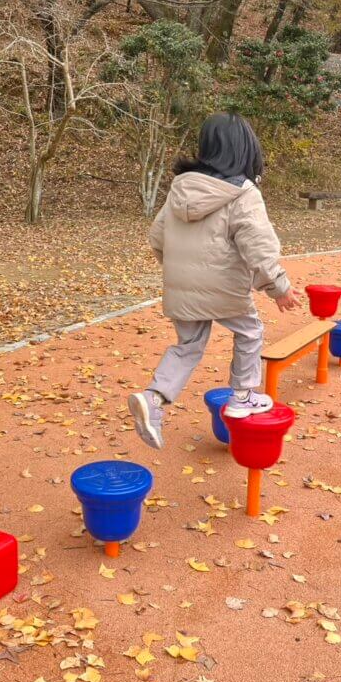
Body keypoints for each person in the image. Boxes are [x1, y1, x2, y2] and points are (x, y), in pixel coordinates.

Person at [128, 112, 302, 450]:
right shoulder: (243, 193)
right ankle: (243, 396)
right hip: (224, 288)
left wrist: (180, 273)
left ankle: (153, 397)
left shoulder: (180, 188)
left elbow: (157, 238)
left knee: (188, 346)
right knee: (249, 331)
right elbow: (259, 249)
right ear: (245, 149)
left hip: (182, 290)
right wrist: (279, 288)